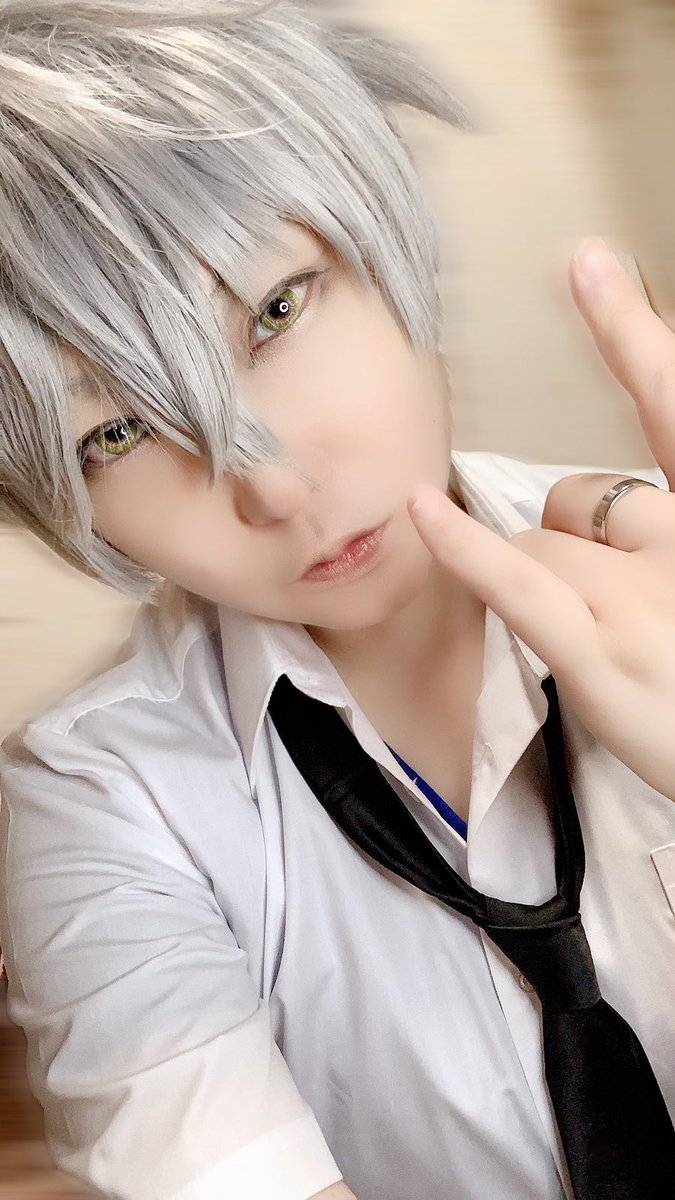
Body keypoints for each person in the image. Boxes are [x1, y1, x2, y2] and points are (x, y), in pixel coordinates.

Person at [0, 2, 673, 1199]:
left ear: (384, 228)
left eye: (274, 312)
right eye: (117, 432)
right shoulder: (99, 801)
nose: (270, 486)